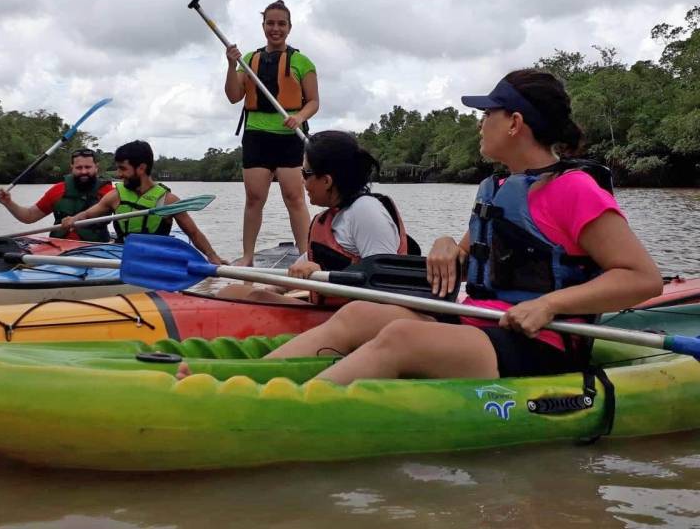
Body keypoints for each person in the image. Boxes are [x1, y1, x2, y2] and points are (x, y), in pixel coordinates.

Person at [179, 69, 662, 382]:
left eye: (487, 114)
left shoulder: (575, 190)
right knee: (361, 315)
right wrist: (447, 242)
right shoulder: (498, 188)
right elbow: (471, 254)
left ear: (515, 123)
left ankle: (274, 409)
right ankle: (240, 380)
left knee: (403, 338)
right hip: (482, 321)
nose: (480, 122)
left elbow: (642, 278)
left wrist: (550, 304)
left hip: (542, 341)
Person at [217, 130, 417, 305]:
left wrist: (320, 275)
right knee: (233, 292)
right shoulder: (330, 217)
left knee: (255, 298)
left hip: (357, 317)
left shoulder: (366, 212)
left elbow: (383, 284)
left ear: (327, 181)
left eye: (305, 173)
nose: (302, 180)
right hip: (332, 310)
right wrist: (273, 289)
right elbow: (302, 266)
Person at [224, 0, 319, 266]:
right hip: (257, 136)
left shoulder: (302, 62)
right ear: (263, 25)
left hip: (289, 137)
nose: (275, 29)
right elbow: (233, 96)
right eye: (270, 23)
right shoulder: (248, 61)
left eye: (281, 24)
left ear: (289, 27)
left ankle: (306, 256)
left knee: (294, 198)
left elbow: (314, 102)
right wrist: (231, 65)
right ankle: (248, 256)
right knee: (254, 199)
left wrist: (299, 117)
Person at [62, 140, 225, 265]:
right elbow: (88, 215)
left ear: (141, 168)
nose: (119, 174)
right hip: (121, 258)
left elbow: (193, 233)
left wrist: (212, 256)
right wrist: (73, 219)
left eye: (123, 168)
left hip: (155, 260)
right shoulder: (115, 196)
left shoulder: (168, 201)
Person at [0, 148, 114, 242]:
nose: (83, 171)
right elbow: (29, 216)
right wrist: (8, 203)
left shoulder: (109, 191)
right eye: (79, 168)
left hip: (97, 248)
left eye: (88, 167)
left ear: (96, 167)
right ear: (72, 168)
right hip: (59, 249)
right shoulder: (58, 190)